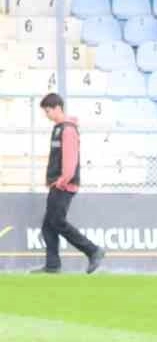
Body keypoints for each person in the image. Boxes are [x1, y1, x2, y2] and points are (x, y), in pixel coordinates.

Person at [33, 93, 104, 274]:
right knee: (48, 225)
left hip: (64, 184)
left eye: (48, 111)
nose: (46, 115)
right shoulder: (59, 128)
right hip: (57, 183)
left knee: (56, 222)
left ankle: (93, 250)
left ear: (57, 107)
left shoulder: (68, 130)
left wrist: (62, 180)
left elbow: (70, 160)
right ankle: (52, 265)